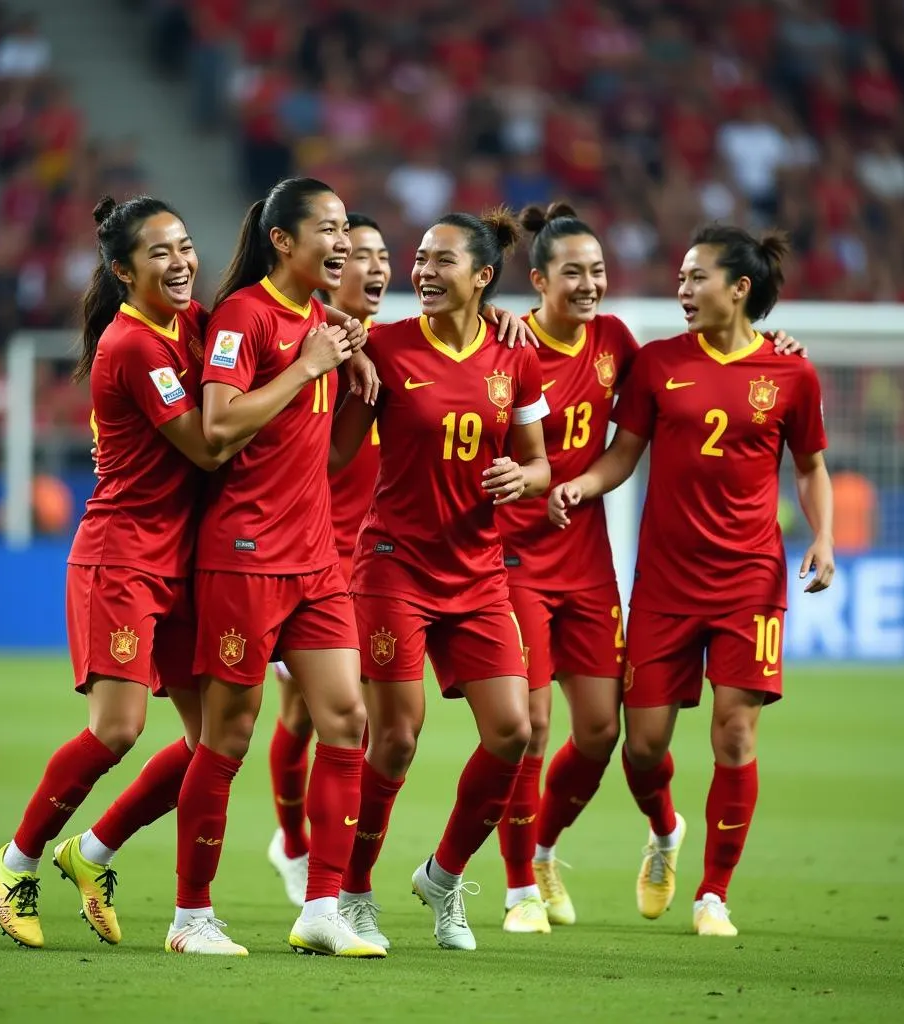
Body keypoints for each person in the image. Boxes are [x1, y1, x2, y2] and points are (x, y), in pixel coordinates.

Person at [549, 224, 834, 937]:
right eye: (679, 278)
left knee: (735, 735)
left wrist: (824, 537)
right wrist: (583, 485)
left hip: (749, 581)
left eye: (695, 277)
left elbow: (809, 466)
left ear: (739, 288)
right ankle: (665, 831)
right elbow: (623, 455)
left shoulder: (792, 374)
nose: (682, 289)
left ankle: (713, 894)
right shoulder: (656, 364)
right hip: (665, 586)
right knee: (641, 746)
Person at [0, 195, 245, 949]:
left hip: (185, 560)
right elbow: (205, 446)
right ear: (124, 270)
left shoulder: (192, 324)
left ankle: (92, 852)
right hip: (122, 556)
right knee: (118, 728)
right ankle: (16, 861)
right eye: (160, 252)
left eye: (186, 246)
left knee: (212, 744)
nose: (181, 262)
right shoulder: (129, 345)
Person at [169, 177, 386, 958]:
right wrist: (310, 365)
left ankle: (322, 906)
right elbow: (219, 426)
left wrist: (349, 371)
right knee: (227, 738)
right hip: (245, 556)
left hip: (316, 558)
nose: (343, 243)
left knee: (347, 721)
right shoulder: (244, 316)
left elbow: (324, 451)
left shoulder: (325, 322)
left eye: (347, 229)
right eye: (326, 229)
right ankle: (190, 915)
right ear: (283, 241)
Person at [330, 209, 551, 952]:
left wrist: (522, 476)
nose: (421, 271)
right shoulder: (387, 348)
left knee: (514, 733)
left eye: (441, 260)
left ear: (483, 276)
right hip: (393, 563)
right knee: (396, 736)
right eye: (418, 258)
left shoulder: (516, 355)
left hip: (479, 570)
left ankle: (443, 875)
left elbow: (540, 461)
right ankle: (352, 893)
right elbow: (335, 459)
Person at [493, 202, 640, 933]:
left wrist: (582, 485)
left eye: (598, 271)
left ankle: (543, 848)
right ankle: (519, 888)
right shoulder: (507, 345)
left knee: (599, 731)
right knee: (535, 723)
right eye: (574, 273)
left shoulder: (616, 340)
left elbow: (635, 433)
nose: (590, 285)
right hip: (514, 558)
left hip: (587, 562)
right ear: (540, 279)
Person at [266, 212, 392, 908]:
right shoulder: (299, 341)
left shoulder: (390, 349)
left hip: (368, 560)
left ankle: (317, 861)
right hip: (303, 555)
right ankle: (292, 842)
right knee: (305, 714)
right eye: (357, 255)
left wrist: (503, 318)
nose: (372, 268)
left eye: (382, 257)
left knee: (349, 720)